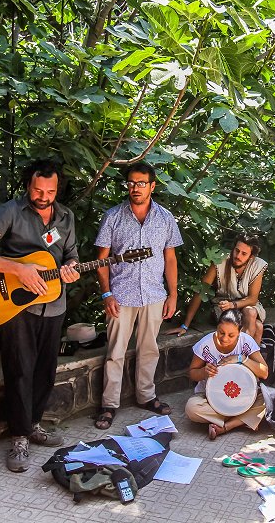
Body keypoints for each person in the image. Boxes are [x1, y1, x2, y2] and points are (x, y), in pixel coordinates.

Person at [0, 160, 81, 472]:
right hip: (15, 304)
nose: (43, 196)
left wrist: (71, 271)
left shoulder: (66, 217)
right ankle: (18, 437)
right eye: (37, 189)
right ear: (28, 185)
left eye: (50, 191)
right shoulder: (9, 212)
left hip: (54, 303)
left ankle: (33, 425)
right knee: (19, 369)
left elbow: (71, 257)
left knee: (45, 370)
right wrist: (17, 268)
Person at [94, 162, 182, 429]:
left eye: (141, 183)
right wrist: (107, 293)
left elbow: (170, 258)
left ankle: (146, 396)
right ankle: (109, 404)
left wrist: (173, 293)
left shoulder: (165, 218)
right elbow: (102, 260)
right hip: (121, 295)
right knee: (115, 352)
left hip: (154, 294)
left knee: (149, 350)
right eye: (131, 183)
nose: (135, 188)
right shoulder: (113, 216)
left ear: (152, 186)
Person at [184, 309, 269, 439]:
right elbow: (192, 373)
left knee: (267, 400)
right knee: (192, 408)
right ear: (216, 328)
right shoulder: (205, 345)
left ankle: (226, 426)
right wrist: (204, 372)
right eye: (221, 332)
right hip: (211, 397)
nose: (224, 338)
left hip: (243, 396)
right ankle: (243, 419)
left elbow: (264, 372)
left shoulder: (246, 342)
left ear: (240, 332)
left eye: (231, 335)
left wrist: (242, 359)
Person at [178, 234, 267, 343]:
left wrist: (233, 305)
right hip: (223, 306)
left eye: (244, 254)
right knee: (258, 326)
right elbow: (201, 291)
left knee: (251, 313)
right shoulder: (220, 261)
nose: (238, 256)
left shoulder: (257, 265)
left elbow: (253, 299)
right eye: (237, 250)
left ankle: (242, 357)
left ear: (251, 257)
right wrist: (185, 325)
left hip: (247, 305)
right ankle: (246, 358)